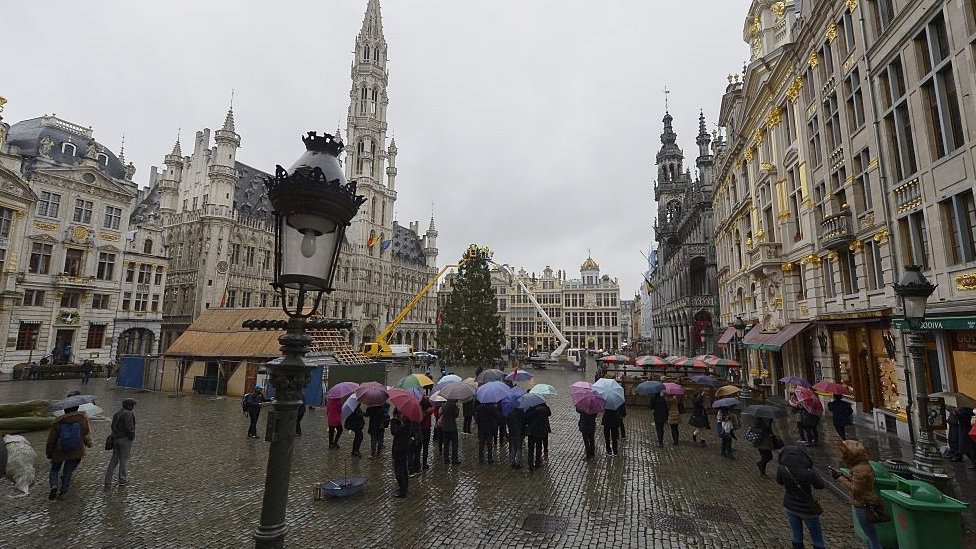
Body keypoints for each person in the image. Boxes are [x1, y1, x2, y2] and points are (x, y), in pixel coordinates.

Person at [832, 440, 884, 549]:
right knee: (870, 535)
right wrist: (846, 477)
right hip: (865, 503)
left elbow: (857, 490)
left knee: (871, 537)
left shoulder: (859, 470)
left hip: (863, 505)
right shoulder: (862, 466)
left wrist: (840, 478)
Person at [776, 445, 826, 549]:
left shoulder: (782, 469)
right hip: (807, 508)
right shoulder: (809, 472)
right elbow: (820, 485)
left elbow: (779, 482)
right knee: (817, 537)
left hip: (790, 505)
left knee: (796, 533)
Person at [45, 403, 93, 500]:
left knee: (54, 470)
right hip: (76, 450)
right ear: (77, 408)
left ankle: (54, 486)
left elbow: (51, 440)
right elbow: (86, 434)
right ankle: (63, 492)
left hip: (59, 451)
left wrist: (49, 452)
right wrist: (89, 444)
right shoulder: (82, 419)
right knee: (68, 472)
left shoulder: (58, 422)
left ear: (64, 410)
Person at [104, 398, 136, 488]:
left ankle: (108, 480)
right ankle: (122, 480)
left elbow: (112, 426)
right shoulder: (128, 414)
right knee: (123, 461)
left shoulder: (118, 413)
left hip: (116, 439)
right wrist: (132, 436)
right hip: (124, 440)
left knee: (113, 460)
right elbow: (129, 428)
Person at [389, 410, 412, 498]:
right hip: (403, 448)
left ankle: (403, 491)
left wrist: (394, 421)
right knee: (403, 468)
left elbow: (394, 432)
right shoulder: (406, 425)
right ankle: (404, 487)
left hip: (400, 449)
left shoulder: (404, 426)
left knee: (399, 470)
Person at [526, 403, 551, 471]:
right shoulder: (543, 406)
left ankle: (530, 465)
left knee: (531, 448)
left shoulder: (530, 406)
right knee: (538, 447)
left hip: (531, 431)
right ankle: (537, 463)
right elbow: (549, 413)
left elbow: (526, 417)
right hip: (540, 430)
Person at [415, 397, 434, 471]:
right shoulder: (429, 411)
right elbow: (432, 407)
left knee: (418, 449)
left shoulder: (419, 411)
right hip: (427, 430)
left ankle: (417, 465)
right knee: (425, 448)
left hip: (420, 430)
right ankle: (424, 464)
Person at [440, 399, 460, 464]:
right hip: (452, 428)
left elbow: (441, 414)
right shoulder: (454, 406)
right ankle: (454, 459)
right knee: (454, 444)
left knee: (446, 444)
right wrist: (457, 409)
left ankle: (446, 459)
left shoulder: (443, 405)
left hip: (445, 427)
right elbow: (455, 415)